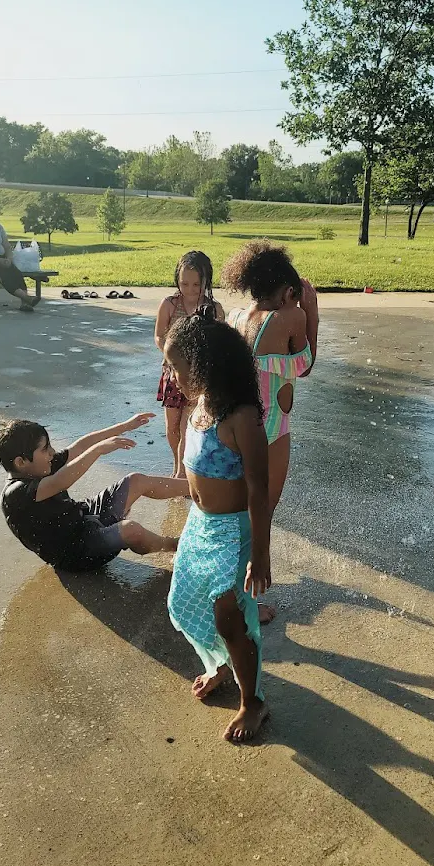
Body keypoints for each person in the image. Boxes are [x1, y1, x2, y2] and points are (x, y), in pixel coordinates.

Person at [164, 311, 271, 744]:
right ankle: (221, 666)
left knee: (230, 619)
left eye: (177, 367)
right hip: (200, 526)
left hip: (234, 534)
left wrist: (260, 555)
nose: (172, 377)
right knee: (184, 602)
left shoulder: (241, 417)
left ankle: (254, 702)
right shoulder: (201, 407)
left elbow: (259, 491)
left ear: (206, 366)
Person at [0, 412, 190, 573]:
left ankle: (196, 487)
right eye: (45, 449)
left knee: (136, 480)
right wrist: (98, 451)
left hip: (84, 517)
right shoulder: (16, 493)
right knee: (131, 530)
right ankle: (176, 546)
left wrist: (125, 426)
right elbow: (62, 480)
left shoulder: (40, 466)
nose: (52, 453)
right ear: (21, 462)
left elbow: (79, 446)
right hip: (76, 553)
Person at [222, 240, 319, 516]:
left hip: (237, 421)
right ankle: (257, 557)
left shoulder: (236, 317)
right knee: (265, 508)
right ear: (289, 292)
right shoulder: (291, 317)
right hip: (272, 425)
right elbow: (304, 366)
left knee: (239, 504)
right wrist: (312, 313)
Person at [154, 251, 224, 476]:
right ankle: (178, 463)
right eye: (184, 283)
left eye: (197, 284)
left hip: (199, 378)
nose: (191, 290)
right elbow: (158, 336)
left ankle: (183, 473)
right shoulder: (169, 305)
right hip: (172, 374)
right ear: (177, 280)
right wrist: (172, 356)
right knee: (172, 427)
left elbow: (221, 344)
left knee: (188, 426)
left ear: (206, 281)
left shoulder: (214, 309)